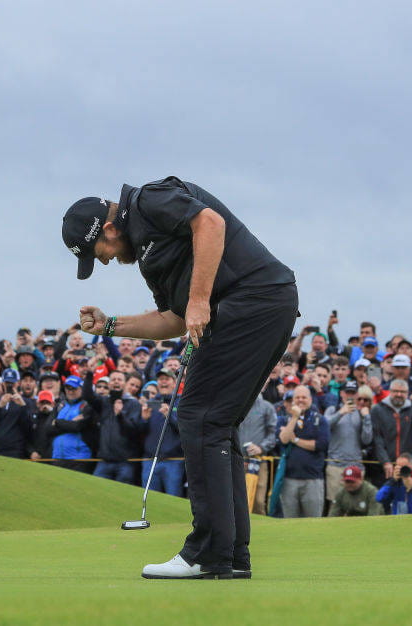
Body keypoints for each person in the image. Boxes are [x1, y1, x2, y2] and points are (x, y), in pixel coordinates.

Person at [63, 176, 298, 580]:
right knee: (216, 423)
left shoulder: (149, 199)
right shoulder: (147, 258)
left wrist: (199, 299)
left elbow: (210, 224)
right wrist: (110, 325)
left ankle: (207, 552)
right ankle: (230, 554)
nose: (101, 261)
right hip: (258, 305)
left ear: (107, 229)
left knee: (198, 416)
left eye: (97, 252)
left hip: (252, 300)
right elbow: (172, 319)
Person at [276, 385, 329, 519]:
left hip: (313, 480)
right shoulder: (283, 419)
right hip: (289, 480)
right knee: (289, 524)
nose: (300, 400)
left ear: (310, 400)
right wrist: (294, 418)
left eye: (304, 397)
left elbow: (321, 445)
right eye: (297, 397)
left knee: (313, 524)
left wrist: (296, 440)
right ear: (292, 400)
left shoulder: (320, 420)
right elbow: (283, 439)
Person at [323, 380, 373, 507]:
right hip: (336, 465)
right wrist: (341, 412)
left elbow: (367, 440)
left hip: (356, 465)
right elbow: (324, 427)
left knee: (356, 506)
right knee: (335, 505)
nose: (350, 396)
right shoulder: (332, 409)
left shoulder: (361, 413)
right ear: (341, 393)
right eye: (347, 392)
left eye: (353, 393)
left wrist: (367, 418)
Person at [369, 379, 412, 481]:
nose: (399, 394)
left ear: (408, 393)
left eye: (402, 392)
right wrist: (385, 461)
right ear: (389, 391)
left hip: (406, 466)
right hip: (383, 467)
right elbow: (377, 439)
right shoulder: (377, 410)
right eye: (395, 391)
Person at [237, 391, 278, 514]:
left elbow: (273, 434)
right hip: (237, 460)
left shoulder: (266, 407)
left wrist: (261, 447)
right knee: (237, 500)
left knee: (258, 501)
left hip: (259, 461)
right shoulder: (236, 405)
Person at [0, 368, 34, 459]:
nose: (10, 386)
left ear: (18, 383)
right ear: (3, 383)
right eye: (7, 383)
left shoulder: (27, 402)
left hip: (15, 450)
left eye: (12, 383)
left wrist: (22, 406)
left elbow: (29, 427)